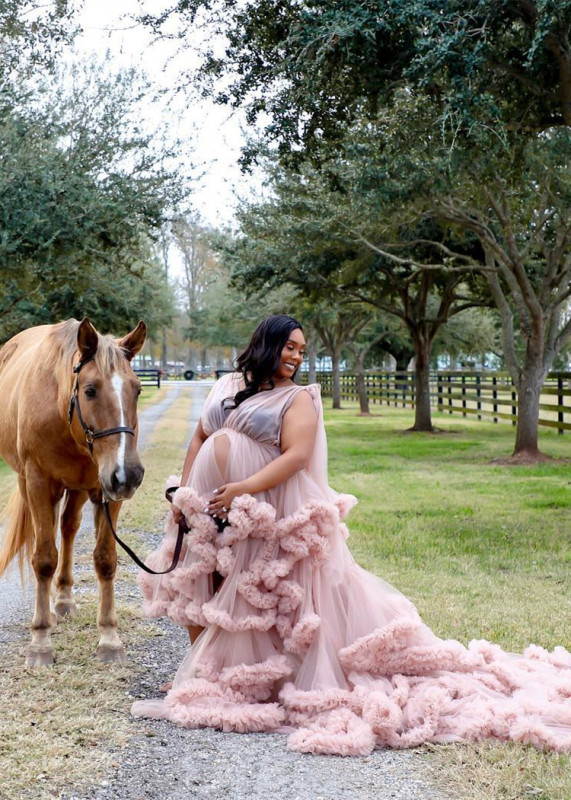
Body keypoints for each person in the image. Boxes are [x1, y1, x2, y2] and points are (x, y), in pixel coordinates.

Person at [133, 314, 571, 756]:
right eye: (290, 347)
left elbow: (298, 458)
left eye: (302, 351)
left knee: (255, 594)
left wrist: (244, 488)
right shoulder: (227, 383)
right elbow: (199, 437)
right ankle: (202, 670)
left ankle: (252, 674)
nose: (297, 357)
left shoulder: (299, 398)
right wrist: (183, 493)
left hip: (261, 506)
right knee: (202, 581)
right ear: (267, 342)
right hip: (207, 502)